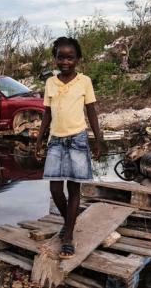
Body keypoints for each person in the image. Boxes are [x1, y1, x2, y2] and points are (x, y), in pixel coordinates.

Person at [36, 36, 105, 260]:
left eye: (70, 57)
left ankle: (68, 237)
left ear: (78, 59)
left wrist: (98, 139)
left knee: (74, 190)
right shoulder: (50, 83)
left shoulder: (84, 81)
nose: (65, 61)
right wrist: (39, 138)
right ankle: (69, 223)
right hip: (56, 141)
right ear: (55, 59)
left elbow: (91, 111)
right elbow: (47, 113)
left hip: (78, 139)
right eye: (61, 57)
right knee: (56, 189)